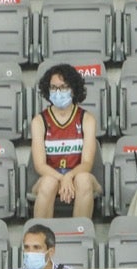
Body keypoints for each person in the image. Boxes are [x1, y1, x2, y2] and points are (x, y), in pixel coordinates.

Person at [29, 64, 102, 220]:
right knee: (49, 182)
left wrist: (69, 176)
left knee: (83, 179)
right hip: (51, 175)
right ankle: (41, 239)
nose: (58, 92)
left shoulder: (87, 119)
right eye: (53, 88)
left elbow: (87, 163)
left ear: (73, 89)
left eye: (63, 87)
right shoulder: (39, 121)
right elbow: (40, 165)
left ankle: (80, 236)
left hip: (79, 174)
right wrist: (63, 178)